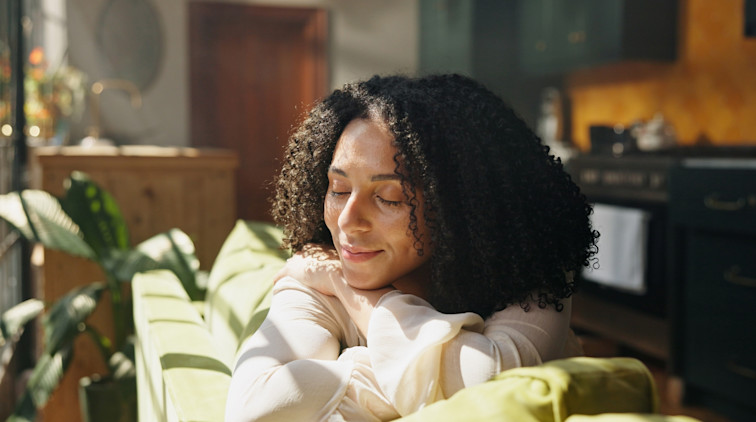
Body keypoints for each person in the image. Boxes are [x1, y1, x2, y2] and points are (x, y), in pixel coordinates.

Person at [225, 74, 598, 421]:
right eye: (338, 190)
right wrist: (425, 378)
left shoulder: (528, 273)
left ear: (459, 207)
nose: (346, 221)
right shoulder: (314, 269)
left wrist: (350, 292)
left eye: (388, 197)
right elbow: (256, 408)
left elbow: (490, 385)